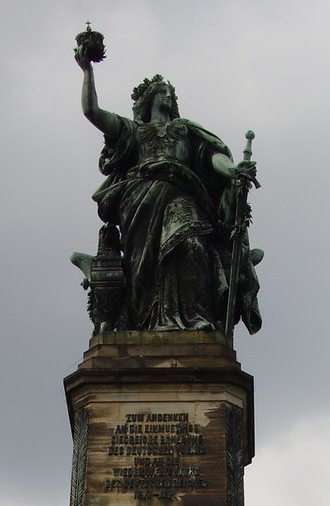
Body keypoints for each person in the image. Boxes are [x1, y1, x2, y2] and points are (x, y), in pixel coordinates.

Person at [75, 48, 261, 335]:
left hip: (181, 193)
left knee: (192, 245)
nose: (168, 95)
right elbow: (92, 112)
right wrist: (87, 70)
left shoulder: (184, 129)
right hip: (139, 199)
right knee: (142, 265)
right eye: (162, 91)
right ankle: (144, 320)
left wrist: (233, 171)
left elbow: (210, 157)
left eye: (170, 92)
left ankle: (194, 316)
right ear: (150, 98)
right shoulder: (133, 131)